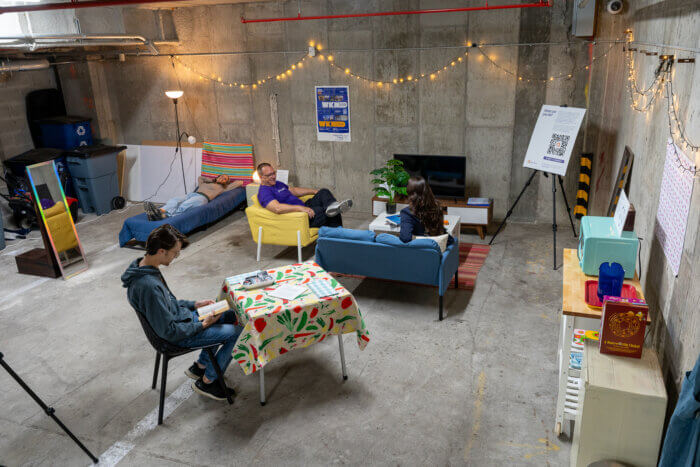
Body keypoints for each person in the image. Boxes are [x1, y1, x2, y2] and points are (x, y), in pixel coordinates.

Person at [121, 224, 243, 401]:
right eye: (175, 253)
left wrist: (196, 304)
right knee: (238, 333)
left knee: (227, 314)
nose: (176, 257)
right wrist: (202, 324)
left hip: (180, 320)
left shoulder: (145, 267)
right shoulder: (148, 286)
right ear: (162, 251)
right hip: (175, 335)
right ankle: (209, 382)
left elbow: (169, 304)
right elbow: (169, 331)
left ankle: (200, 366)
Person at [256, 162, 353, 228]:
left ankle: (334, 207)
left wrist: (314, 191)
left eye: (273, 173)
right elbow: (277, 208)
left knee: (323, 192)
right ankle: (337, 235)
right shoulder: (264, 192)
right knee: (326, 211)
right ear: (261, 177)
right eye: (269, 175)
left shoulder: (277, 183)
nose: (273, 176)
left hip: (305, 207)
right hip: (298, 216)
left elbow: (293, 190)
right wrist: (301, 209)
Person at [143, 174, 242, 221]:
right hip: (192, 194)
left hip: (203, 198)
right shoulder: (206, 182)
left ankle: (165, 216)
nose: (223, 178)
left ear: (226, 182)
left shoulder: (223, 188)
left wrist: (226, 182)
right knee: (174, 201)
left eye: (225, 179)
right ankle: (160, 212)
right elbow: (200, 178)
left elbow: (239, 183)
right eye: (221, 176)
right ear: (217, 177)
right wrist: (212, 180)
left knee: (185, 205)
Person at [399, 176, 454, 245]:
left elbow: (405, 238)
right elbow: (441, 232)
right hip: (439, 246)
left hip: (422, 251)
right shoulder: (437, 207)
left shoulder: (407, 212)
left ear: (411, 193)